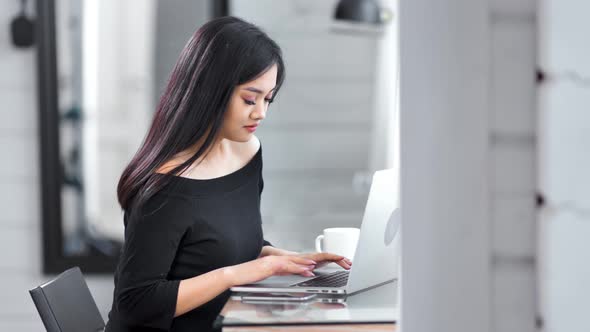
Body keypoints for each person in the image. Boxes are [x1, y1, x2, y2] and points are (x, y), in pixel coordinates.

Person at [104, 16, 352, 332]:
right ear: (211, 90)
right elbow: (135, 303)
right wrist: (239, 273)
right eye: (250, 98)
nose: (260, 112)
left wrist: (284, 259)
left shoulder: (247, 153)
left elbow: (222, 243)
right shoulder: (165, 188)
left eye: (268, 99)